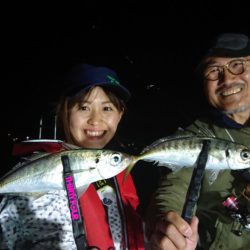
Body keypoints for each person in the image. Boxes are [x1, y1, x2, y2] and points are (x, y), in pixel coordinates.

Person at [0, 64, 145, 249]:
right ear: (64, 110)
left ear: (120, 114)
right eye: (84, 107)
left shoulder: (113, 172)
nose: (95, 120)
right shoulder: (46, 186)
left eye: (107, 108)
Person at [145, 32, 250, 250]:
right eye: (214, 71)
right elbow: (174, 189)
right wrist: (165, 224)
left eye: (237, 64)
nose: (227, 79)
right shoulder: (196, 135)